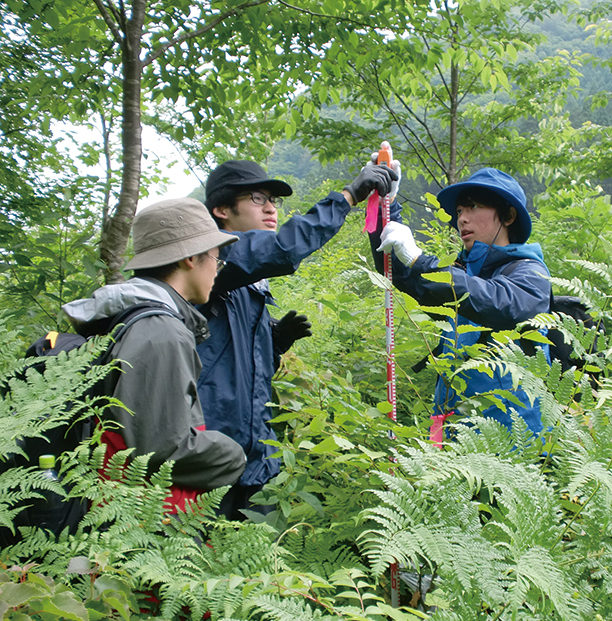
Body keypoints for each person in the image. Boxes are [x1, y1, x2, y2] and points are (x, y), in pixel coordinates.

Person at [200, 159, 397, 517]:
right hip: (209, 460)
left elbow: (233, 368)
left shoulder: (250, 285)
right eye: (258, 198)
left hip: (254, 460)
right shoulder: (209, 259)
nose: (271, 207)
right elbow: (282, 249)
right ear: (221, 209)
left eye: (274, 199)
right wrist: (348, 196)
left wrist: (274, 345)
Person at [62, 198, 247, 511]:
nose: (217, 270)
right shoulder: (162, 331)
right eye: (216, 259)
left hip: (104, 504)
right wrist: (232, 454)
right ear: (191, 258)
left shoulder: (122, 316)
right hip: (138, 518)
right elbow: (160, 448)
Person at [373, 168, 551, 444]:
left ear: (508, 216)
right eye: (458, 210)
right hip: (451, 436)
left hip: (513, 445)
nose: (462, 218)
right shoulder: (462, 275)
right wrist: (386, 202)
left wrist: (421, 261)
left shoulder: (530, 273)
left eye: (474, 206)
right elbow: (401, 272)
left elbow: (501, 303)